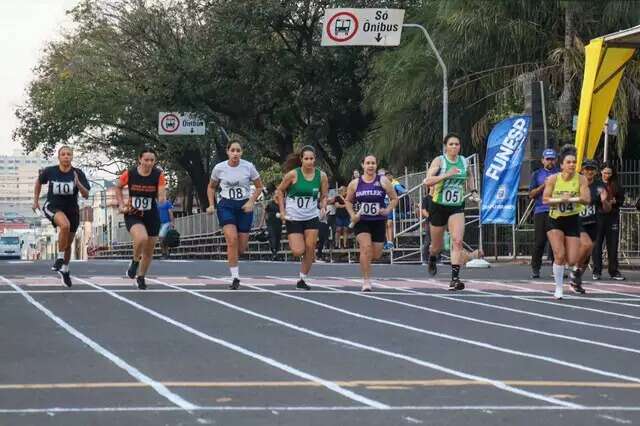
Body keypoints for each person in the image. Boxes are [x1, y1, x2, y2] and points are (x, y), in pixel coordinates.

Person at [206, 139, 263, 289]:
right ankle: (235, 277)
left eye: (238, 150)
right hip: (226, 205)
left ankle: (233, 261)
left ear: (241, 152)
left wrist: (251, 202)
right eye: (233, 150)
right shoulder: (219, 168)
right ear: (228, 152)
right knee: (232, 240)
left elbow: (259, 187)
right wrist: (211, 205)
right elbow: (211, 187)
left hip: (244, 206)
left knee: (241, 247)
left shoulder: (248, 167)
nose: (235, 153)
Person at [424, 133, 477, 291]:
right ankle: (432, 257)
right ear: (446, 146)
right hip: (438, 206)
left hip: (456, 206)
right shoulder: (439, 161)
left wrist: (473, 191)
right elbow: (428, 181)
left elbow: (470, 176)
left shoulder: (463, 161)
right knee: (437, 245)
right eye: (451, 144)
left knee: (457, 241)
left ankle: (455, 279)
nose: (454, 147)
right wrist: (447, 174)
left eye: (457, 144)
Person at [33, 145, 90, 287]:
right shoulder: (50, 171)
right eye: (63, 154)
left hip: (72, 209)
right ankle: (59, 259)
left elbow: (86, 194)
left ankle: (65, 269)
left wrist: (78, 183)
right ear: (59, 157)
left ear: (72, 157)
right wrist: (35, 201)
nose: (66, 156)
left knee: (68, 244)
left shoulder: (78, 173)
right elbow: (39, 182)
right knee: (65, 225)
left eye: (68, 154)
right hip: (53, 206)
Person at [276, 145, 329, 290]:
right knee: (298, 251)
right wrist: (282, 211)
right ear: (301, 159)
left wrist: (323, 206)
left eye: (312, 159)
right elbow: (279, 191)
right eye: (306, 159)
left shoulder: (321, 176)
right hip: (294, 217)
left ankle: (302, 278)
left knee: (311, 246)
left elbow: (324, 195)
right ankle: (300, 247)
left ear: (315, 160)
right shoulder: (293, 175)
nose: (309, 161)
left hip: (311, 216)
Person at [542, 144, 591, 299]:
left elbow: (586, 199)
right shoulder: (553, 179)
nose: (572, 165)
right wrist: (559, 200)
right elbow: (545, 199)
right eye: (568, 162)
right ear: (561, 165)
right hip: (555, 220)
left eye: (574, 162)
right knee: (559, 254)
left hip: (572, 220)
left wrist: (572, 198)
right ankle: (558, 288)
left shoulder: (581, 179)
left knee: (571, 259)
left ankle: (570, 276)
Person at [115, 147, 167, 290]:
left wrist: (162, 198)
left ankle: (141, 276)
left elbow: (162, 193)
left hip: (151, 215)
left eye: (152, 160)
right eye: (146, 160)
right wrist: (121, 205)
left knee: (149, 250)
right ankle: (134, 261)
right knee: (141, 238)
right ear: (140, 159)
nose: (149, 163)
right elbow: (118, 187)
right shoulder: (130, 173)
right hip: (133, 213)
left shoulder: (158, 174)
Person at [345, 154, 398, 291]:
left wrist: (387, 210)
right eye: (368, 163)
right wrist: (352, 215)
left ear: (376, 165)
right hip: (362, 221)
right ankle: (366, 281)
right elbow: (348, 201)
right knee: (366, 248)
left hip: (378, 221)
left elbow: (394, 198)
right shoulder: (355, 183)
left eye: (373, 163)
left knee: (376, 254)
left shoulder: (383, 181)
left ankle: (366, 263)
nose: (370, 166)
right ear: (363, 165)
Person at [573, 159, 610, 287]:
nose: (589, 171)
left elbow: (607, 209)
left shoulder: (600, 186)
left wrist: (604, 201)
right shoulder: (576, 184)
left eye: (592, 169)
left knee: (587, 255)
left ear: (595, 171)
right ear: (582, 170)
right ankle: (575, 270)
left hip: (593, 222)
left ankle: (576, 280)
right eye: (587, 169)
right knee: (585, 245)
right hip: (578, 221)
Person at [528, 148, 559, 278]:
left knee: (556, 242)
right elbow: (531, 194)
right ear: (542, 160)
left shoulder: (560, 174)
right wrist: (543, 186)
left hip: (557, 211)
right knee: (540, 241)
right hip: (541, 210)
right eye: (547, 159)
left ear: (556, 160)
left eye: (552, 159)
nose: (550, 162)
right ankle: (536, 268)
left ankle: (557, 269)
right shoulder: (537, 174)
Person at [592, 163, 626, 281]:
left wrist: (615, 201)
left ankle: (614, 271)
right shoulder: (596, 185)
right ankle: (597, 271)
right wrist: (602, 201)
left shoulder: (616, 185)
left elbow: (621, 200)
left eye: (609, 173)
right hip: (599, 216)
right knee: (597, 245)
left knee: (613, 244)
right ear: (601, 172)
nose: (607, 175)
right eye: (605, 172)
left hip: (612, 216)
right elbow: (591, 199)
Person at [260, 185, 282, 261]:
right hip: (270, 222)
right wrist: (261, 224)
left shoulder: (281, 204)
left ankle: (276, 252)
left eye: (278, 194)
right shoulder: (269, 203)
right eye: (275, 194)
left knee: (278, 237)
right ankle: (274, 253)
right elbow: (264, 213)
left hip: (278, 222)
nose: (277, 195)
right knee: (272, 236)